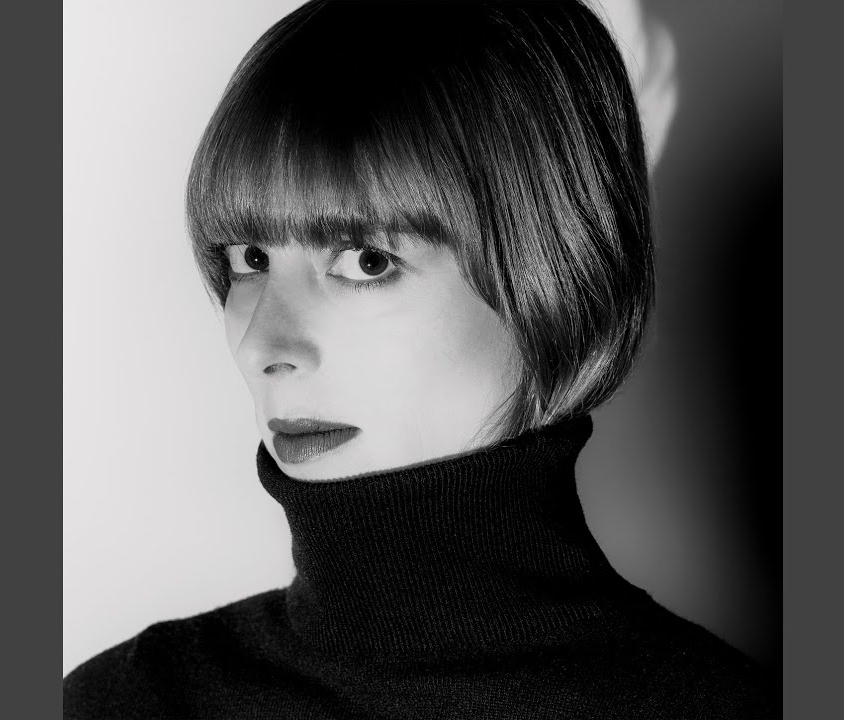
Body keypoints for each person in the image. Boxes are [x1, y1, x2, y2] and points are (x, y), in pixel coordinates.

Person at [64, 0, 776, 716]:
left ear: (556, 277)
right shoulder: (127, 704)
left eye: (367, 260)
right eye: (250, 259)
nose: (263, 346)